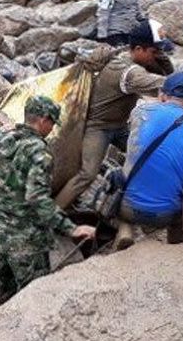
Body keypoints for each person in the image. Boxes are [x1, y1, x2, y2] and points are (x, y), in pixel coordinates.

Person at [0, 95, 96, 322]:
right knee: (34, 302)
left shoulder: (0, 139)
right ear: (43, 120)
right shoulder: (39, 152)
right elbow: (37, 199)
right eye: (52, 123)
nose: (51, 129)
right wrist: (71, 228)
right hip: (27, 242)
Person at [56, 23, 168, 211]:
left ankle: (135, 203)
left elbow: (163, 70)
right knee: (87, 173)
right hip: (98, 126)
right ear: (139, 49)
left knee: (152, 153)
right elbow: (159, 83)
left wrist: (160, 55)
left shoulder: (130, 58)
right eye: (154, 51)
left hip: (120, 126)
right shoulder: (127, 71)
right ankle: (53, 214)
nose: (157, 56)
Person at [115, 72, 183, 249]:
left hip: (127, 208)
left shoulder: (140, 112)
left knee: (122, 173)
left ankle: (125, 229)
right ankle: (177, 243)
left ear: (162, 94)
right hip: (165, 215)